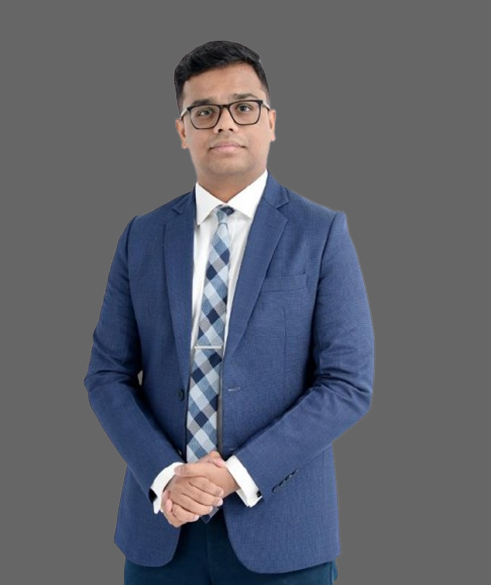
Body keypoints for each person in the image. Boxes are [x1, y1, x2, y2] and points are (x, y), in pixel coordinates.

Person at [84, 40, 374, 584]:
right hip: (162, 530)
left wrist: (234, 475)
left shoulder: (320, 233)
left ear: (271, 123)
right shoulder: (142, 236)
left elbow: (347, 384)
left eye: (243, 107)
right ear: (182, 130)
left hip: (284, 534)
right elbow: (107, 375)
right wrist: (167, 476)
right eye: (204, 111)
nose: (224, 123)